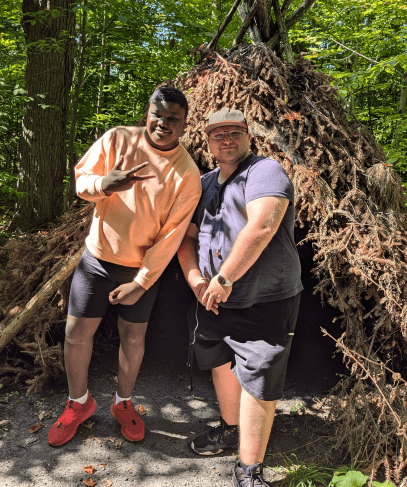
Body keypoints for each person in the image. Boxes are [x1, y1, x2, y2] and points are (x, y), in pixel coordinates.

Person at [48, 87, 201, 447]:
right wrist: (105, 184)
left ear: (183, 126)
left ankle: (123, 403)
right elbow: (82, 182)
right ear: (147, 113)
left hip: (139, 268)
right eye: (157, 115)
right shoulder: (118, 139)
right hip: (97, 258)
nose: (162, 124)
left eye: (172, 120)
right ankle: (78, 403)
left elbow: (172, 236)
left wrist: (142, 281)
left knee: (133, 338)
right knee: (75, 334)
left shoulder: (187, 173)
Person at [178, 108, 303, 487]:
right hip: (213, 296)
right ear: (208, 141)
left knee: (259, 374)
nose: (226, 140)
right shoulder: (205, 183)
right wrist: (197, 279)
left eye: (234, 133)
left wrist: (224, 277)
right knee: (219, 361)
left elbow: (262, 224)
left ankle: (249, 469)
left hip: (264, 296)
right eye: (218, 134)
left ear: (249, 136)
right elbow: (186, 238)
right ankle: (230, 428)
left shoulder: (264, 171)